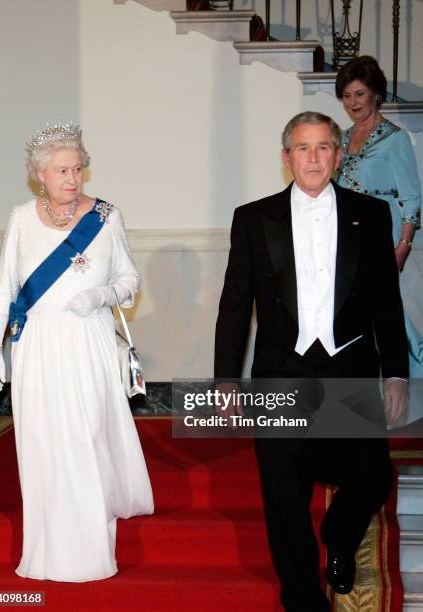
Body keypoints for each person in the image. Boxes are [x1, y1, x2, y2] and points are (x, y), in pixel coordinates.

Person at [214, 111, 408, 611]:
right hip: (282, 369)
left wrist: (397, 373)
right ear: (286, 158)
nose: (314, 157)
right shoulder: (253, 219)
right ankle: (302, 599)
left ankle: (340, 537)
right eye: (303, 148)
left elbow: (387, 302)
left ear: (339, 156)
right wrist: (226, 382)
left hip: (349, 367)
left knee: (371, 477)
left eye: (324, 147)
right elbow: (235, 304)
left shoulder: (372, 215)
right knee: (284, 494)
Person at [0, 122, 154, 582]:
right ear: (40, 174)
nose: (73, 179)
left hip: (90, 341)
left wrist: (100, 297)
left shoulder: (106, 217)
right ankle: (49, 551)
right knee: (45, 446)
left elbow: (129, 281)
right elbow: (4, 290)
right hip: (38, 345)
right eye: (62, 170)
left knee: (86, 441)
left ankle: (92, 548)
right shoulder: (22, 218)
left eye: (78, 169)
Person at [336, 55, 423, 382]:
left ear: (376, 94)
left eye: (359, 94)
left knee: (387, 316)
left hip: (380, 239)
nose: (352, 102)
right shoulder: (341, 138)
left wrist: (402, 247)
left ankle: (410, 381)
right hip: (345, 239)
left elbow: (412, 199)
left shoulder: (395, 139)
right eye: (346, 95)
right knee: (355, 316)